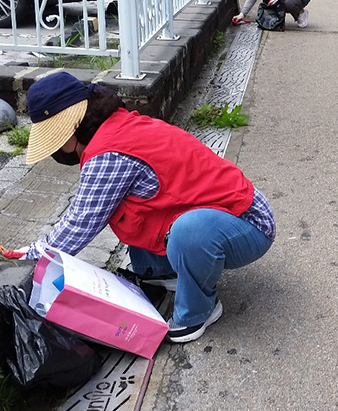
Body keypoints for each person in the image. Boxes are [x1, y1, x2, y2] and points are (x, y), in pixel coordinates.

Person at [17, 72, 276, 343]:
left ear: (73, 125)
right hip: (225, 215)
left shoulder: (109, 153)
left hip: (250, 223)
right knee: (133, 208)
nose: (55, 149)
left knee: (189, 231)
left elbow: (80, 223)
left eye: (55, 137)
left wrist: (29, 256)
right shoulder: (117, 127)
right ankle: (164, 271)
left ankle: (199, 310)